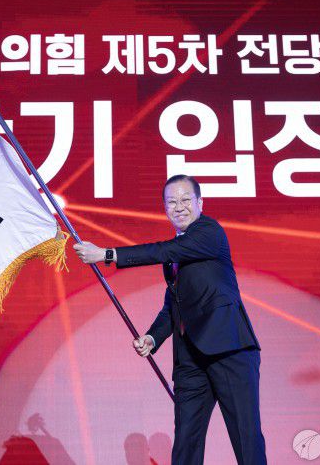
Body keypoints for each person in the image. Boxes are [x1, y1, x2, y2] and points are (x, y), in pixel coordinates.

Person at [73, 174, 267, 465]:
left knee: (245, 438)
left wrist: (107, 254)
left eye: (186, 200)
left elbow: (163, 250)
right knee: (186, 443)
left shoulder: (209, 232)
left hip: (228, 350)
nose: (179, 207)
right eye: (172, 202)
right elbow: (174, 306)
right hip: (190, 361)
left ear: (200, 203)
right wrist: (153, 337)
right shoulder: (176, 253)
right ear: (164, 208)